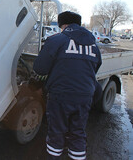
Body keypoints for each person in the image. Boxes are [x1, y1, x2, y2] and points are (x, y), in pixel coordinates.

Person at [33, 11, 102, 160]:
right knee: (77, 133)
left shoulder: (57, 40)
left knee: (56, 133)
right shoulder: (93, 45)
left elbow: (39, 68)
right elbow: (95, 68)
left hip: (60, 96)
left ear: (62, 25)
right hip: (85, 96)